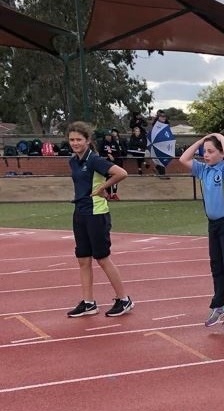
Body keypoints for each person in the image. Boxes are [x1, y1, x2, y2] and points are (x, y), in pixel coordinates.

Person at [65, 121, 134, 318]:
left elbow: (121, 173)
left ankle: (124, 299)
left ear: (87, 140)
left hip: (96, 213)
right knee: (83, 260)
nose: (75, 143)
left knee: (102, 258)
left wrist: (103, 187)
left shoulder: (94, 160)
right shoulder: (73, 161)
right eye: (72, 140)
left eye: (79, 139)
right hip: (80, 212)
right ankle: (88, 303)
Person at [179, 132, 224, 332]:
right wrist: (201, 140)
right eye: (204, 151)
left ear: (221, 153)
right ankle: (218, 304)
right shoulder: (203, 170)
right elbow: (183, 159)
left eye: (210, 151)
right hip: (213, 224)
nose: (205, 154)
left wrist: (220, 136)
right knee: (216, 265)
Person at [98, 130, 122, 200]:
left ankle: (114, 194)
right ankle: (108, 194)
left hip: (115, 163)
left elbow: (119, 153)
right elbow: (100, 153)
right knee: (108, 179)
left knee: (115, 179)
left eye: (109, 136)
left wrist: (113, 156)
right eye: (107, 136)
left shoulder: (115, 143)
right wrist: (108, 155)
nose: (108, 137)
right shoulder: (102, 143)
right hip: (106, 164)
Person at [150, 110, 170, 178]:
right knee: (161, 158)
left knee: (164, 157)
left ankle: (157, 168)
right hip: (158, 143)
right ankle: (162, 174)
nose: (164, 118)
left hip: (164, 142)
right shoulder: (156, 125)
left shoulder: (166, 124)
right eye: (162, 116)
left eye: (164, 116)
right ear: (158, 117)